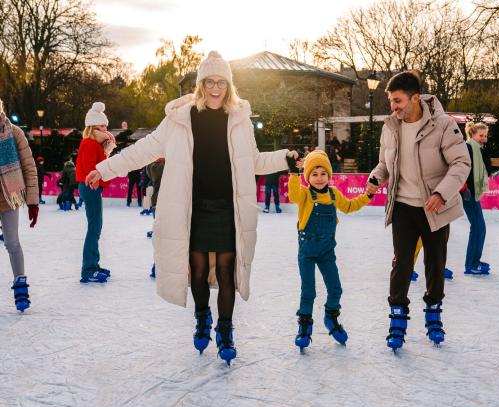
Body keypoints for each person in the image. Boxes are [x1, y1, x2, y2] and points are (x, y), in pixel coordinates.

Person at [85, 51, 299, 366]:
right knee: (197, 270)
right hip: (193, 209)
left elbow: (253, 161)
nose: (215, 88)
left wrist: (285, 158)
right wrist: (104, 169)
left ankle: (225, 330)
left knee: (227, 272)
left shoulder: (239, 120)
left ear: (228, 85)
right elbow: (143, 150)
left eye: (221, 82)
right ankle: (202, 318)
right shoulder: (179, 120)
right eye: (209, 82)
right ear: (201, 84)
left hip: (228, 209)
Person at [365, 71, 471, 351]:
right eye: (390, 101)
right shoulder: (390, 127)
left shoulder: (443, 125)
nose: (393, 106)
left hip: (434, 206)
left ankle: (434, 311)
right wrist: (375, 178)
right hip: (402, 206)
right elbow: (384, 165)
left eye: (397, 100)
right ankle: (397, 317)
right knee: (402, 264)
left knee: (435, 263)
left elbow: (461, 163)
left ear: (415, 98)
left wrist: (441, 193)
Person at [289, 150, 371, 352]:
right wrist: (293, 174)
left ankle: (331, 317)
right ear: (308, 176)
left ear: (329, 175)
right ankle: (304, 326)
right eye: (314, 174)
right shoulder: (306, 194)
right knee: (309, 291)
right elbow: (293, 195)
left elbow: (350, 206)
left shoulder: (334, 194)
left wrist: (368, 195)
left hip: (327, 252)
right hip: (307, 252)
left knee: (336, 288)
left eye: (323, 173)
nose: (319, 178)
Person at [0, 97, 39, 312]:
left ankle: (20, 286)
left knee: (12, 243)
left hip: (9, 197)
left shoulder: (14, 133)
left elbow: (29, 168)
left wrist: (33, 202)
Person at [75, 102, 116, 284]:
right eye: (102, 126)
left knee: (96, 227)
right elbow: (91, 169)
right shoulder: (90, 143)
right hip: (89, 187)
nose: (105, 129)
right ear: (93, 127)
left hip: (91, 187)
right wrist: (106, 152)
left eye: (106, 126)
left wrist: (105, 152)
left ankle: (93, 264)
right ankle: (88, 268)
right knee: (94, 228)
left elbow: (99, 167)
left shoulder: (93, 144)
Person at [461, 121, 492, 274]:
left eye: (485, 136)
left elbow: (488, 169)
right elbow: (460, 168)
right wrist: (464, 187)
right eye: (481, 135)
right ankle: (471, 264)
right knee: (478, 227)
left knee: (480, 228)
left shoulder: (479, 150)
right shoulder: (467, 147)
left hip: (473, 193)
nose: (484, 138)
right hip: (467, 193)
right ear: (472, 134)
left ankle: (474, 261)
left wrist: (485, 150)